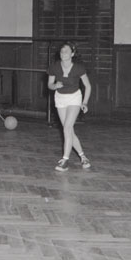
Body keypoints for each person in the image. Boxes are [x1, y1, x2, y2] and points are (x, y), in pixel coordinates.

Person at [47, 41, 92, 172]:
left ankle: (65, 161)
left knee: (67, 128)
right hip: (60, 98)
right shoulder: (54, 67)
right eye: (62, 51)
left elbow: (88, 86)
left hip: (74, 98)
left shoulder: (79, 68)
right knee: (69, 131)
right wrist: (55, 86)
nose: (63, 53)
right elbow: (50, 85)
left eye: (66, 51)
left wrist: (85, 102)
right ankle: (83, 157)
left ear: (72, 54)